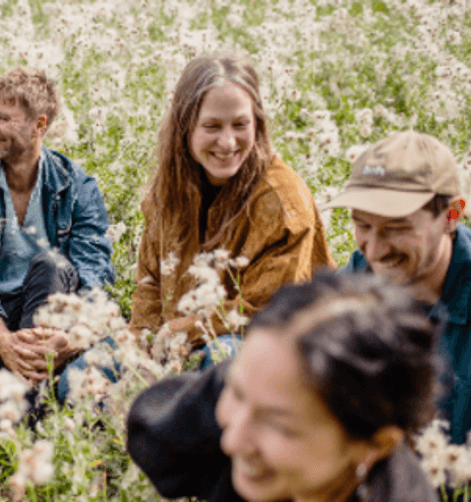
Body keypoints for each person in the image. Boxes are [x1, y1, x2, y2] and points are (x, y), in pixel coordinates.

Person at [127, 271, 442, 502]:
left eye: (278, 425)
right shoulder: (247, 396)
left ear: (376, 445)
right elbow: (153, 429)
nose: (232, 442)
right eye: (237, 392)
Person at [129, 54, 334, 363]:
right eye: (211, 126)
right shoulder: (168, 190)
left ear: (258, 124)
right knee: (78, 377)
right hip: (175, 347)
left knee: (219, 359)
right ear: (185, 127)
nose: (227, 142)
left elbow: (269, 310)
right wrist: (138, 347)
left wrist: (184, 329)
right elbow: (150, 284)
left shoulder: (282, 201)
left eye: (240, 125)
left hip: (272, 351)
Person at [0, 68, 115, 399]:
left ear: (40, 125)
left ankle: (24, 391)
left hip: (51, 309)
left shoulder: (77, 186)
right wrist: (3, 340)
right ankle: (29, 395)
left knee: (52, 265)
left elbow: (95, 275)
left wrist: (72, 338)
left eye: (3, 119)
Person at [323, 130, 470, 444]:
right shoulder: (351, 288)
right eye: (362, 225)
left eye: (397, 228)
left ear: (451, 216)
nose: (374, 251)